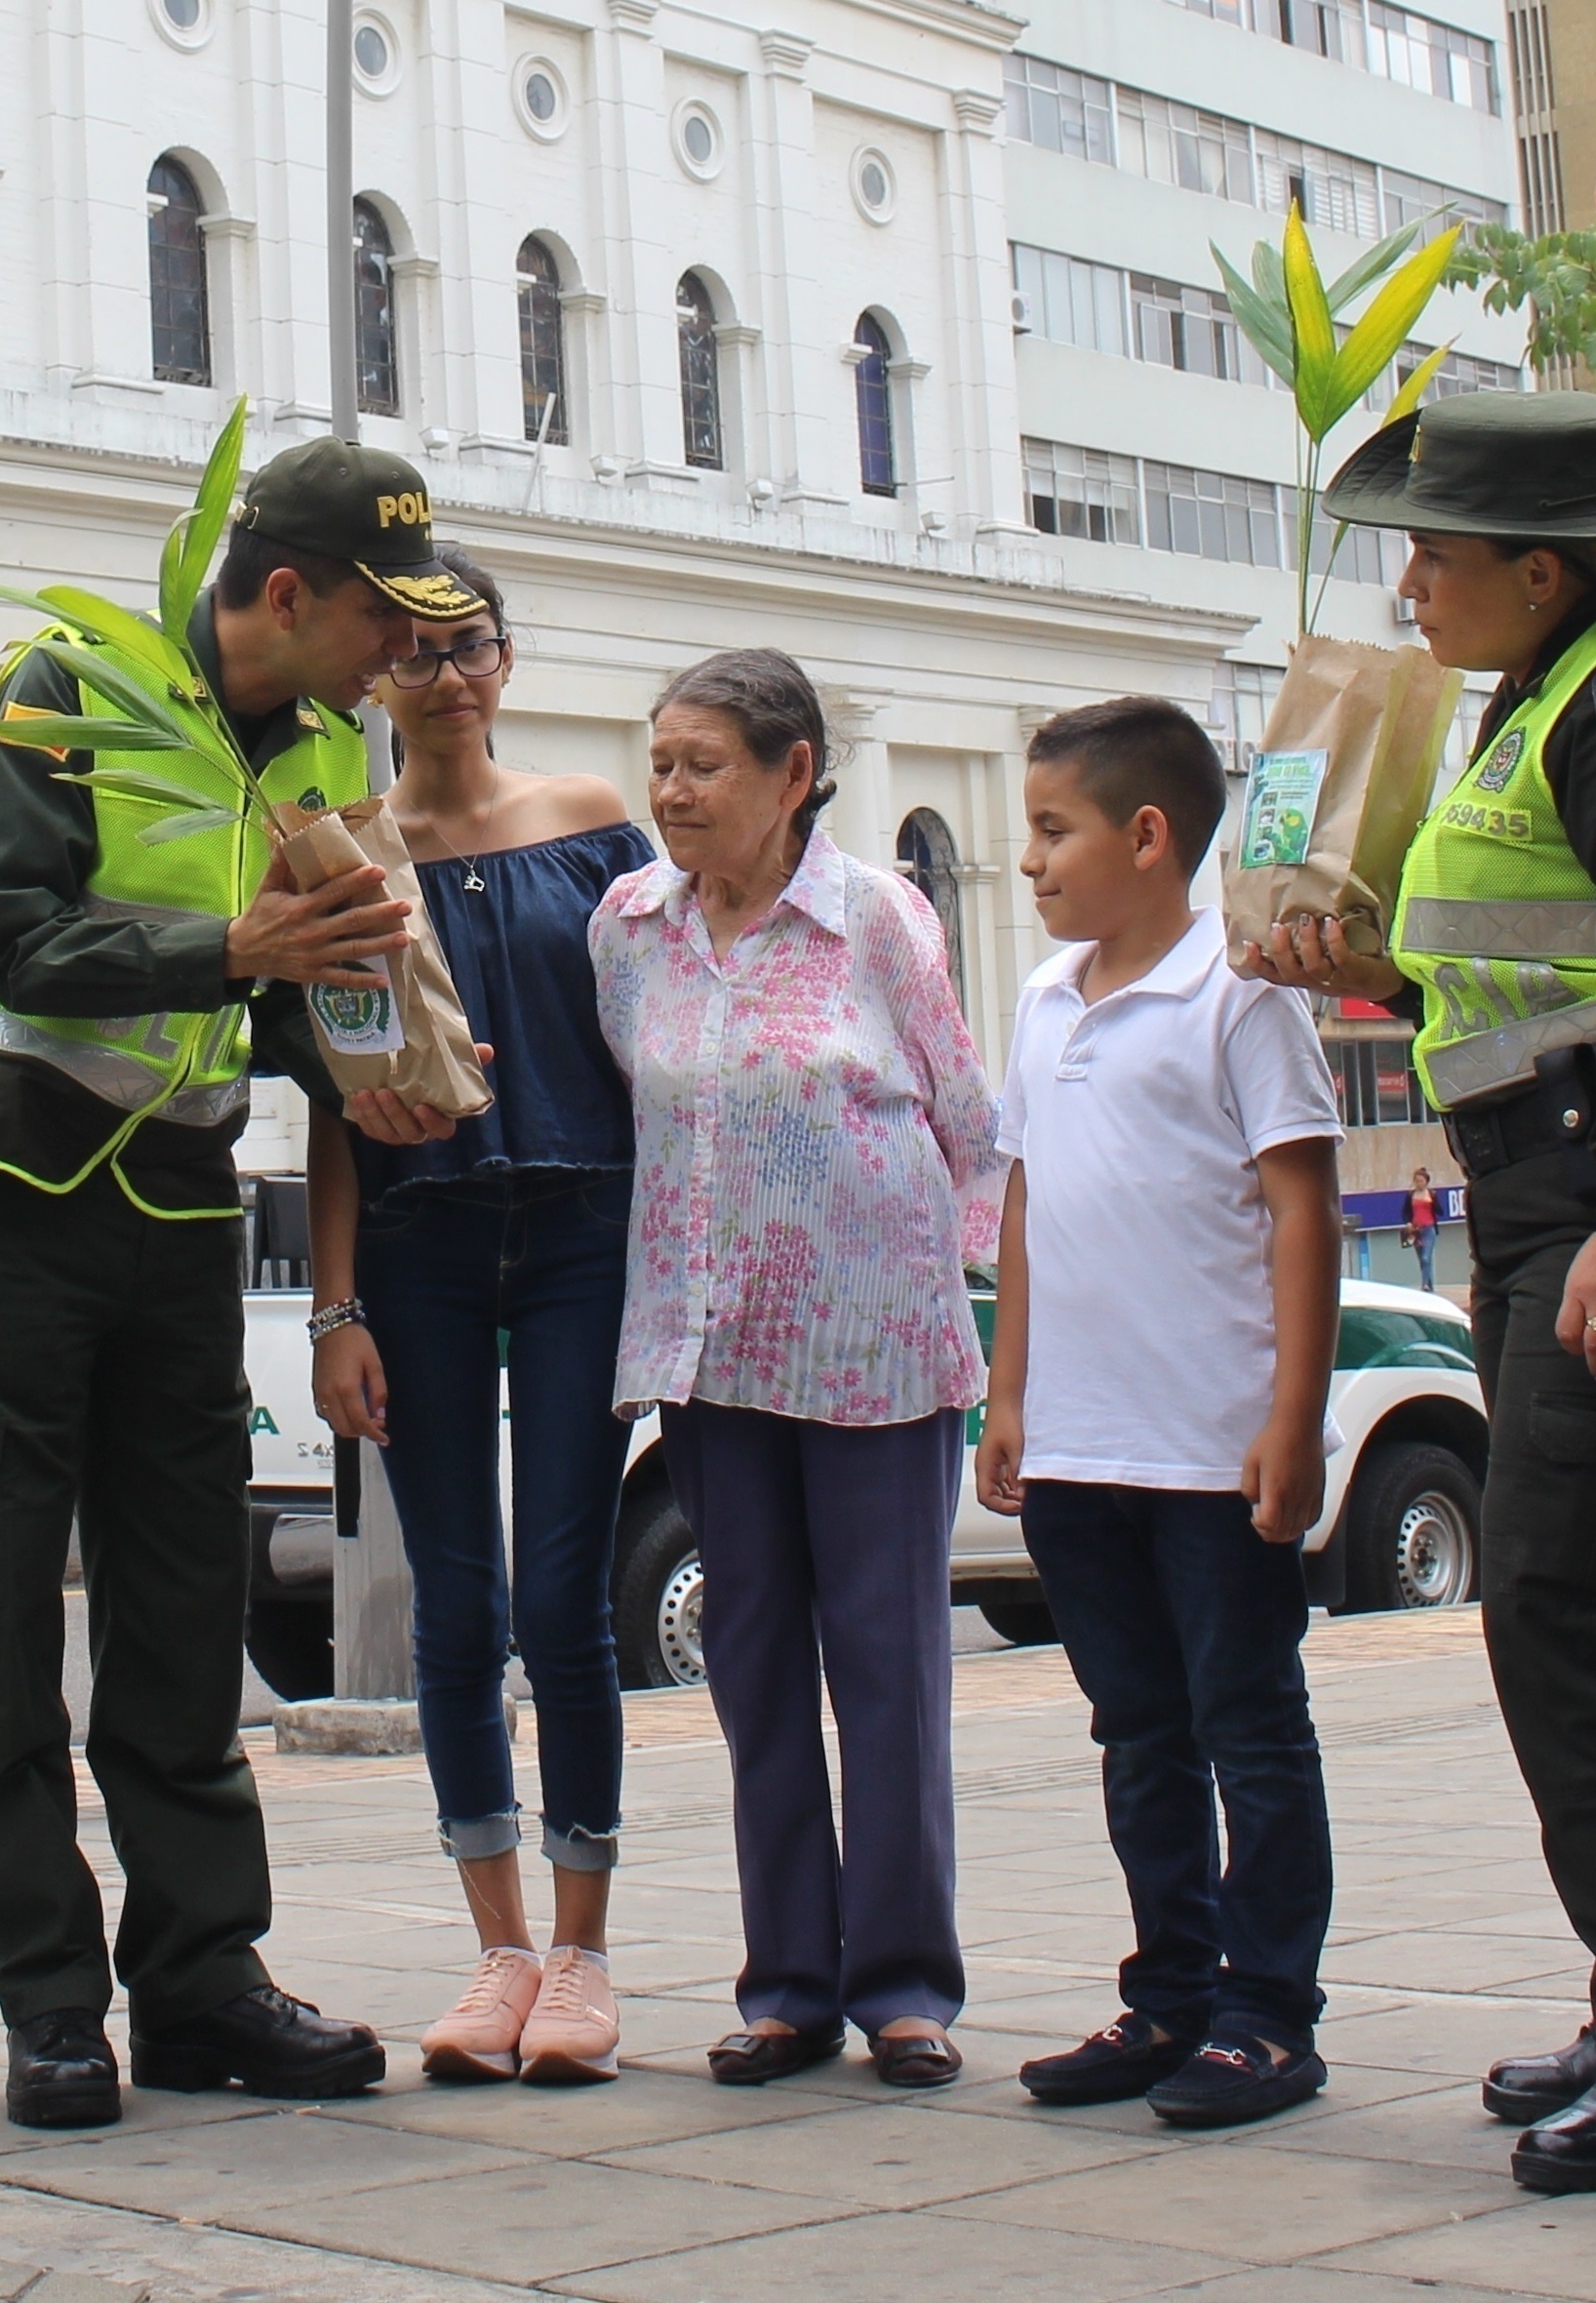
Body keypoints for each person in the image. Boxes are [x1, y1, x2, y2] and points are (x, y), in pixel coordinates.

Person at [0, 433, 480, 2128]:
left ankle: (204, 1980)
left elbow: (289, 993)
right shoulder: (66, 684)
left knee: (180, 1603)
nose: (406, 659)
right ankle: (51, 2004)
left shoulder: (318, 747)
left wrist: (387, 1053)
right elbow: (16, 937)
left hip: (169, 1199)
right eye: (385, 621)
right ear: (284, 593)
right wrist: (231, 953)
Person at [1248, 390, 1596, 2193]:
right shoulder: (1540, 704)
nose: (1407, 585)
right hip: (1544, 1183)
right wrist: (1393, 971)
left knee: (1569, 1615)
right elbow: (1536, 966)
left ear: (1543, 570)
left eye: (1439, 555)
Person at [592, 648, 1001, 2091]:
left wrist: (973, 1321)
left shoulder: (877, 919)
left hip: (876, 1353)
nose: (674, 790)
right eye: (662, 761)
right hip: (711, 1355)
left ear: (793, 775)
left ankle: (902, 1984)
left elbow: (969, 1122)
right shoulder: (629, 927)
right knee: (752, 1669)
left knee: (887, 1670)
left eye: (705, 764)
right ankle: (787, 1985)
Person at [300, 545, 656, 2085]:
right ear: (372, 670)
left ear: (506, 663)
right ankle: (497, 1947)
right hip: (422, 1243)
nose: (444, 677)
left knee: (568, 1595)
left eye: (471, 647)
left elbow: (665, 1037)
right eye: (414, 652)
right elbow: (332, 1093)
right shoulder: (343, 852)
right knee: (457, 1604)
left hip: (585, 1225)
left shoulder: (592, 826)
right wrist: (335, 1307)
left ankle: (583, 1955)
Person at [976, 699, 1345, 2129]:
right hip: (1078, 1444)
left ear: (1146, 835)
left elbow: (1302, 1210)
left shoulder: (1241, 991)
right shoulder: (1044, 996)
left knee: (1248, 1726)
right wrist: (1010, 1391)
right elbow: (1022, 1196)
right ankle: (1170, 1993)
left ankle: (1268, 2014)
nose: (1029, 863)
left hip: (1211, 1444)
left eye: (1052, 831)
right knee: (1136, 1733)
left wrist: (1294, 1420)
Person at [1406, 1167, 1442, 1290]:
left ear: (1426, 1181)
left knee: (1426, 1257)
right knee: (1421, 1259)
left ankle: (1424, 1284)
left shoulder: (1432, 1194)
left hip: (1429, 1229)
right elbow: (1405, 1212)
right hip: (1416, 1230)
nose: (1419, 1183)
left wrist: (1432, 1202)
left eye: (1421, 1181)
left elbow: (1440, 1211)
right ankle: (1429, 1284)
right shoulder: (1410, 1195)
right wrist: (1408, 1222)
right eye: (1417, 1181)